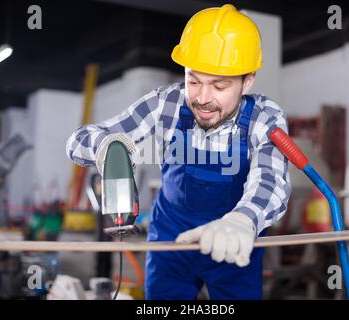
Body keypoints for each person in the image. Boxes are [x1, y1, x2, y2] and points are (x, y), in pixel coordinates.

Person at [66, 4, 291, 299]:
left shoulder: (265, 116)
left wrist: (243, 220)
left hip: (232, 241)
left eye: (219, 85)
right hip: (171, 242)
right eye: (193, 80)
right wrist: (105, 146)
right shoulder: (167, 103)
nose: (202, 98)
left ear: (247, 81)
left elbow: (271, 180)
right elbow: (78, 140)